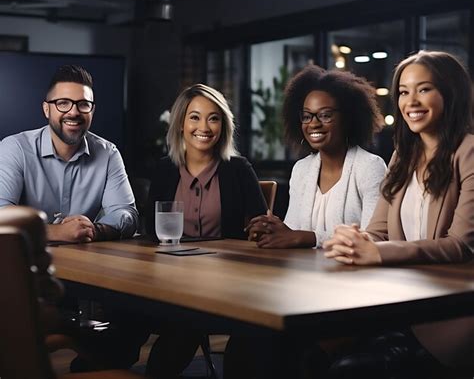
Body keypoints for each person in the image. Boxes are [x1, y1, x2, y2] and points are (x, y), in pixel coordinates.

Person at [323, 51, 474, 377]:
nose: (411, 101)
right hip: (399, 301)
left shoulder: (469, 152)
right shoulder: (403, 156)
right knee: (304, 349)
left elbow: (461, 245)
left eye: (424, 89)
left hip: (451, 312)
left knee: (347, 369)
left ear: (450, 92)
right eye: (404, 92)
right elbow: (378, 231)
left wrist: (377, 251)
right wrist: (354, 241)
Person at [144, 83, 267, 377]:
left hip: (228, 285)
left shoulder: (238, 169)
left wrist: (259, 230)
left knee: (185, 327)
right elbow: (149, 229)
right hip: (170, 282)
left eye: (213, 118)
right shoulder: (164, 170)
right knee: (163, 322)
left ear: (223, 125)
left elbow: (262, 225)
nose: (204, 127)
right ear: (181, 124)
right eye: (195, 117)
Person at [247, 65, 386, 249]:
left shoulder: (370, 167)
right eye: (307, 116)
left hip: (352, 274)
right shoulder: (302, 169)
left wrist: (309, 238)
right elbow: (295, 231)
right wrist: (272, 230)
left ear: (348, 118)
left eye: (325, 115)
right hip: (305, 271)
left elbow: (372, 239)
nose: (313, 123)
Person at [0, 65, 137, 242]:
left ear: (92, 111)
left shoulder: (108, 154)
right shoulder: (15, 148)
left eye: (83, 104)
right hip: (23, 260)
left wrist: (93, 230)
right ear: (46, 109)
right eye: (63, 103)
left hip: (83, 260)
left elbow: (127, 214)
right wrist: (57, 232)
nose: (73, 112)